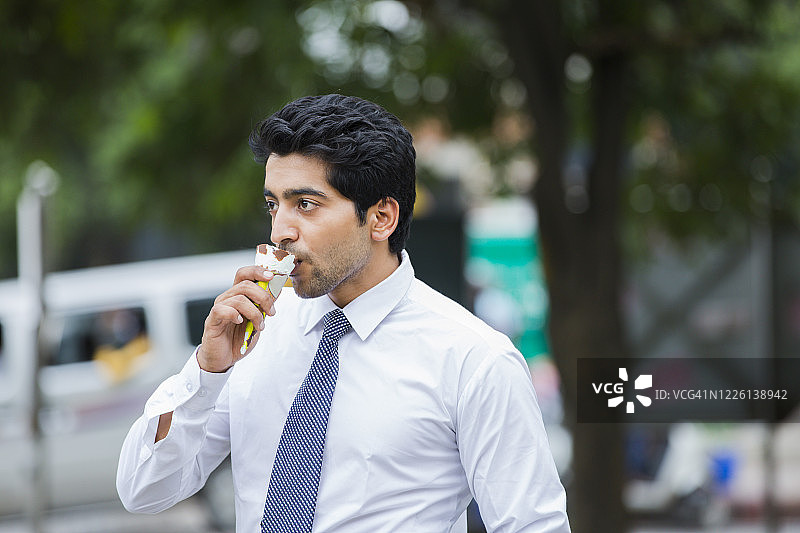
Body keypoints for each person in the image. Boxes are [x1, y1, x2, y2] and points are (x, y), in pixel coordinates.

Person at [116, 94, 570, 533]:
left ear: (381, 218)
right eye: (274, 204)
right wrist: (206, 372)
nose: (280, 231)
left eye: (305, 205)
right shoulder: (254, 333)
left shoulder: (473, 359)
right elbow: (143, 490)